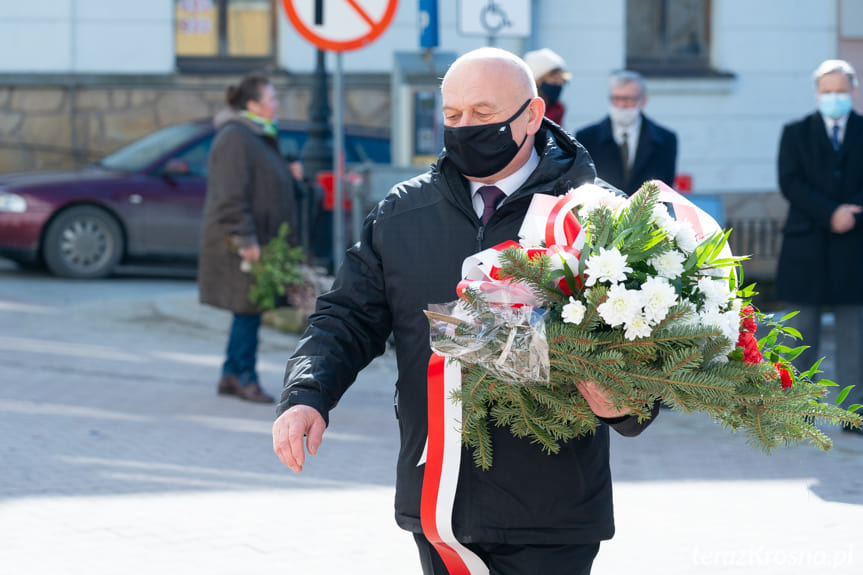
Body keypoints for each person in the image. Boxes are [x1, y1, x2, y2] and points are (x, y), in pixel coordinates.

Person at [272, 47, 659, 574]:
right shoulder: (403, 213)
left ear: (532, 114)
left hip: (552, 514)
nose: (464, 128)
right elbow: (346, 317)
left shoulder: (596, 216)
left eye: (482, 113)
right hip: (440, 503)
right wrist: (306, 393)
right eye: (452, 116)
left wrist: (627, 403)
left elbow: (650, 344)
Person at [198, 72, 298, 403]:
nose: (276, 104)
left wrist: (291, 177)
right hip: (241, 243)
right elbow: (230, 195)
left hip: (258, 238)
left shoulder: (257, 135)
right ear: (253, 105)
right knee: (248, 310)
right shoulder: (236, 138)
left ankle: (230, 374)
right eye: (271, 99)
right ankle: (245, 378)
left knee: (247, 310)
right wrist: (245, 239)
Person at [775, 58, 863, 434]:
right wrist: (831, 213)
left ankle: (852, 413)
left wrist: (850, 213)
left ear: (853, 91)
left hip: (855, 245)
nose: (834, 97)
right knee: (800, 334)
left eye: (840, 91)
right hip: (806, 246)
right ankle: (798, 411)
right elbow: (790, 182)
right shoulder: (795, 132)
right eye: (827, 91)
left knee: (855, 336)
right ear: (817, 93)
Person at [576, 70, 677, 196]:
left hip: (647, 213)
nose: (621, 105)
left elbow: (665, 189)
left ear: (643, 100)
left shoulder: (666, 140)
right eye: (616, 98)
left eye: (629, 99)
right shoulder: (586, 138)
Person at [523, 48, 571, 126]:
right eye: (554, 78)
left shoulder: (558, 110)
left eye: (561, 79)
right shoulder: (523, 112)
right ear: (537, 81)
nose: (559, 83)